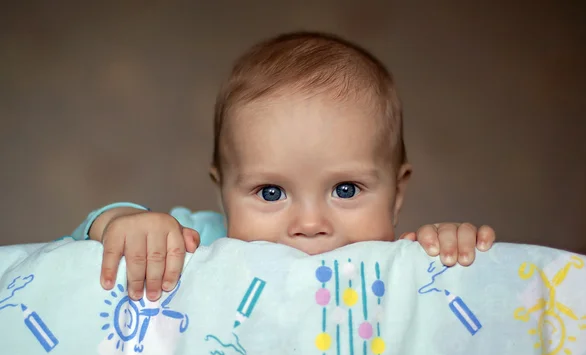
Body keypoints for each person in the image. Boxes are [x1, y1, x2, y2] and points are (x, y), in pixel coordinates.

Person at [72, 31, 496, 302]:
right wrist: (121, 222)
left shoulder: (405, 263)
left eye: (345, 189)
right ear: (222, 194)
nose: (309, 224)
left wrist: (448, 251)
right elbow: (68, 260)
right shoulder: (196, 242)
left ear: (397, 194)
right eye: (271, 192)